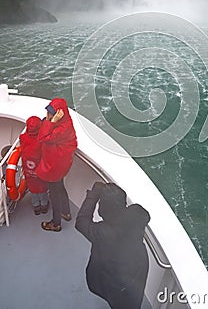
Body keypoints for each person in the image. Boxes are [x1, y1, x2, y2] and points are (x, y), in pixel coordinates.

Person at [75, 182, 150, 309]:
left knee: (120, 302)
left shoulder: (102, 231)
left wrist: (93, 195)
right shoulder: (137, 213)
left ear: (103, 209)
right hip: (138, 268)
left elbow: (81, 221)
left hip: (118, 281)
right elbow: (145, 215)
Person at [36, 98, 77, 232]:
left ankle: (55, 223)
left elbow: (42, 138)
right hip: (60, 164)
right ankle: (66, 212)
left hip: (54, 166)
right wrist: (50, 121)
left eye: (51, 114)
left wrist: (50, 122)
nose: (48, 116)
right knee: (60, 187)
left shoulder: (60, 129)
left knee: (54, 194)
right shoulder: (66, 123)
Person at [19, 116, 49, 215]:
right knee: (43, 188)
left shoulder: (23, 138)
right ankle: (44, 206)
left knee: (33, 189)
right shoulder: (42, 139)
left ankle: (36, 207)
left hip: (29, 171)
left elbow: (23, 138)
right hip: (40, 171)